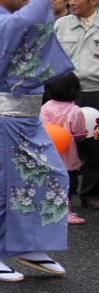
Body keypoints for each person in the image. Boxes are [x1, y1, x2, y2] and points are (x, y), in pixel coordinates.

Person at [0, 0, 78, 283]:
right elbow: (28, 21)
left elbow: (31, 22)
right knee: (2, 190)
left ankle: (30, 245)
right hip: (4, 120)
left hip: (26, 119)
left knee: (52, 176)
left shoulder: (0, 21)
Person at [55, 0, 99, 210]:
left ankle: (90, 194)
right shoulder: (61, 25)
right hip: (66, 95)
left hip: (95, 93)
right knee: (64, 146)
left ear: (94, 0)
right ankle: (63, 196)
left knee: (95, 146)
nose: (71, 2)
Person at [41, 73, 88, 224]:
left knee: (49, 181)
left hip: (48, 154)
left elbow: (42, 129)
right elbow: (79, 134)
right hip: (67, 156)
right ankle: (65, 212)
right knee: (67, 184)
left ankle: (47, 208)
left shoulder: (45, 107)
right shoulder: (75, 111)